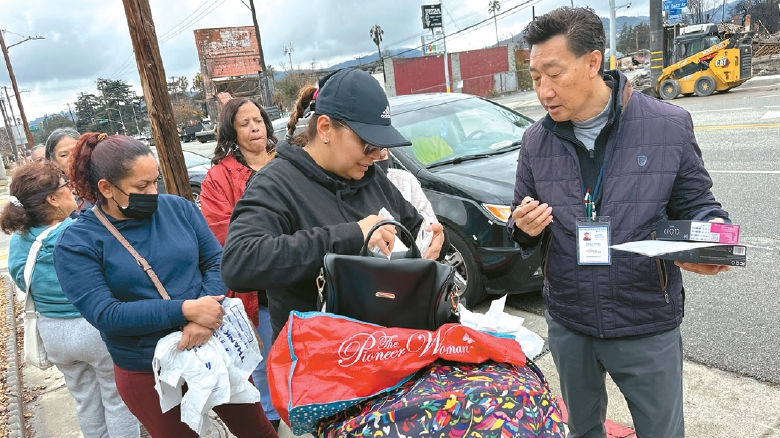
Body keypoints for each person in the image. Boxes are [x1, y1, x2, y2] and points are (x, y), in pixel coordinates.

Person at [509, 7, 731, 438]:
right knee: (582, 430)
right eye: (535, 78)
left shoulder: (667, 125)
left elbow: (700, 205)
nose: (543, 91)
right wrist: (523, 228)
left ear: (593, 62)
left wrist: (714, 243)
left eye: (554, 74)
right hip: (569, 324)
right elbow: (520, 225)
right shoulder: (535, 141)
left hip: (645, 322)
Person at [53, 133, 278, 438]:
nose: (153, 192)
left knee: (259, 432)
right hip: (148, 370)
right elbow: (106, 314)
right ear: (105, 188)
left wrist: (206, 317)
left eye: (155, 181)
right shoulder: (77, 243)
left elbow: (216, 262)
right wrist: (187, 310)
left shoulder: (178, 209)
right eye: (141, 187)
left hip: (212, 346)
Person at [221, 68, 447, 340]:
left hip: (387, 350)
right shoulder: (277, 184)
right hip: (319, 365)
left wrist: (434, 240)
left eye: (381, 145)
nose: (376, 155)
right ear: (325, 128)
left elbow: (413, 227)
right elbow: (239, 262)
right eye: (367, 144)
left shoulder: (372, 178)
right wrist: (354, 235)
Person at [2, 161, 140, 438]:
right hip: (93, 327)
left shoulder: (20, 242)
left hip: (52, 332)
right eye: (65, 186)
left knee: (85, 400)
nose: (72, 191)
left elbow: (20, 280)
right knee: (118, 400)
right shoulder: (77, 233)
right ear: (52, 199)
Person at [200, 97, 281, 429]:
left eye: (258, 120)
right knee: (260, 362)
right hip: (256, 289)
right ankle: (271, 423)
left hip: (300, 278)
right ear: (231, 132)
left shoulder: (288, 161)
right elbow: (222, 233)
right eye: (245, 123)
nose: (254, 128)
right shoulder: (219, 177)